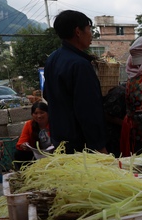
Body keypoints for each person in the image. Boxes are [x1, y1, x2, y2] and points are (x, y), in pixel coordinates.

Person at [43, 10, 107, 153]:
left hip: (59, 139)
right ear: (78, 31)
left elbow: (47, 94)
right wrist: (99, 146)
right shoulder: (79, 65)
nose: (91, 34)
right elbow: (88, 110)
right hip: (80, 145)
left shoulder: (52, 59)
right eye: (89, 29)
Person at [14, 102, 52, 168]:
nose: (39, 116)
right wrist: (24, 145)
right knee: (18, 154)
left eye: (42, 113)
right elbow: (21, 142)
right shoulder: (29, 125)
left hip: (53, 153)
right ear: (32, 115)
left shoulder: (54, 123)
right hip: (36, 156)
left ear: (48, 113)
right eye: (36, 113)